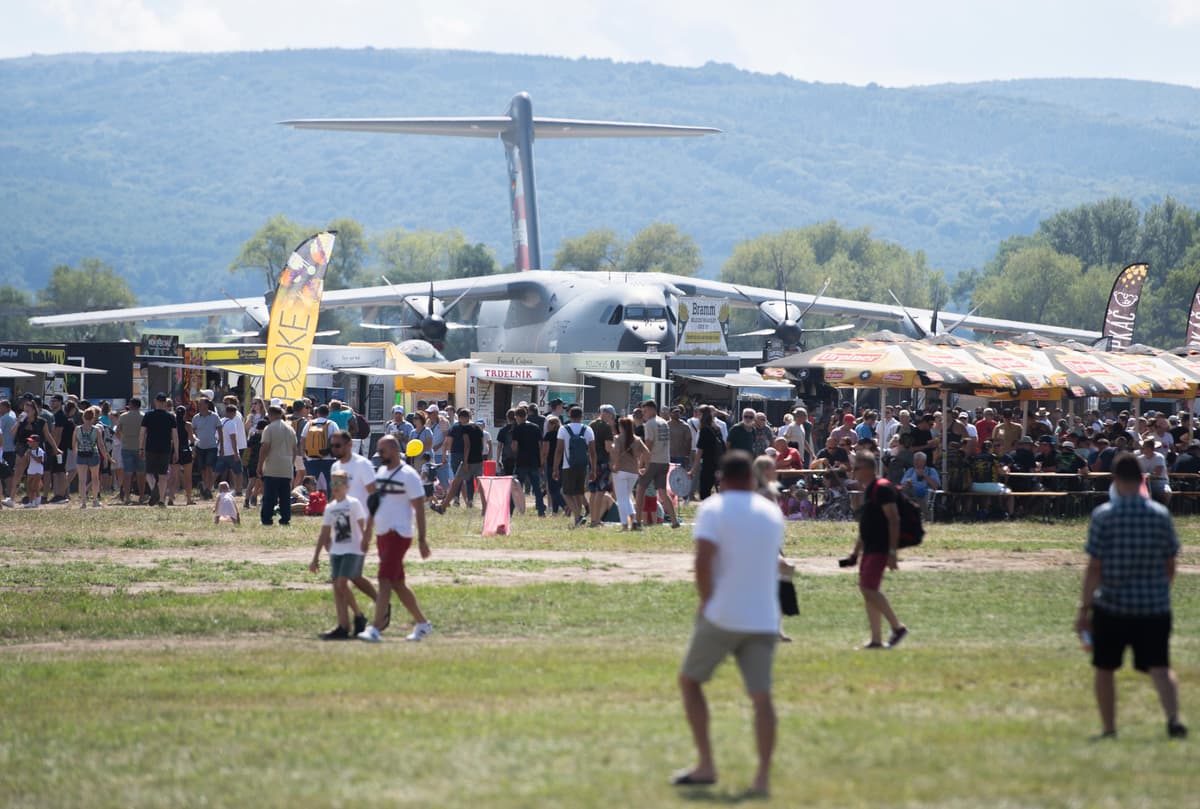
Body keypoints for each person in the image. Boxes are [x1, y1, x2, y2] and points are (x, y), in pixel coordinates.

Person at [674, 451, 783, 796]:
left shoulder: (713, 509)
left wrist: (707, 602)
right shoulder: (771, 512)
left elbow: (703, 561)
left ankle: (706, 764)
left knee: (691, 682)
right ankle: (762, 777)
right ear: (752, 479)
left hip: (723, 612)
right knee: (761, 698)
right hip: (764, 615)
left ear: (722, 478)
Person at [1076, 452, 1187, 740]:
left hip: (1112, 605)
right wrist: (1161, 591)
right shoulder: (1160, 515)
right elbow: (1170, 563)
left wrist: (1084, 609)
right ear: (1141, 479)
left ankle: (1110, 729)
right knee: (1160, 667)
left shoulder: (1104, 516)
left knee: (1105, 668)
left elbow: (1094, 567)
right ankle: (1174, 720)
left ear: (1115, 479)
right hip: (1153, 606)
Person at [358, 435, 432, 643]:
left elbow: (419, 510)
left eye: (382, 451)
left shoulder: (409, 475)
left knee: (384, 580)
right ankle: (423, 624)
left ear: (393, 449)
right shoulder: (381, 472)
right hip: (383, 533)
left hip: (398, 534)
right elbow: (374, 503)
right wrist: (368, 531)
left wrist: (422, 540)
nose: (380, 455)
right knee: (398, 583)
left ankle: (375, 628)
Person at [844, 452, 908, 650]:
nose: (853, 472)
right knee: (868, 591)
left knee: (868, 589)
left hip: (880, 547)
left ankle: (897, 628)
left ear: (869, 469)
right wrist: (855, 553)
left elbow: (894, 519)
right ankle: (876, 640)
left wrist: (892, 551)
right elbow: (866, 525)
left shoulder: (881, 488)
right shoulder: (870, 490)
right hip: (870, 547)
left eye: (856, 468)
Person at [310, 470, 373, 640]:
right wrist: (315, 558)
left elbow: (362, 527)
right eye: (333, 483)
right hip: (337, 551)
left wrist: (365, 542)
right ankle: (343, 626)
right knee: (337, 588)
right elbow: (324, 533)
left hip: (352, 550)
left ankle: (359, 616)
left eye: (339, 483)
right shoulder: (330, 507)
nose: (336, 487)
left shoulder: (353, 504)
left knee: (342, 583)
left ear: (347, 486)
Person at [634, 400, 680, 529]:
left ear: (653, 409)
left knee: (640, 490)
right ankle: (674, 521)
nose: (644, 413)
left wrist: (642, 463)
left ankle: (637, 521)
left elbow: (648, 445)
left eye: (645, 410)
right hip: (664, 461)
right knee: (663, 493)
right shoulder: (664, 422)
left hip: (652, 461)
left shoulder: (649, 424)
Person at [431, 409, 487, 514]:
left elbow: (467, 446)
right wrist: (480, 457)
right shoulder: (478, 428)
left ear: (462, 418)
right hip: (478, 460)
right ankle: (485, 508)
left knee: (455, 484)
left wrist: (465, 462)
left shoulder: (466, 429)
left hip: (468, 461)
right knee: (480, 485)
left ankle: (443, 507)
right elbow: (482, 445)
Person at [554, 405, 596, 527]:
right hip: (583, 466)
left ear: (569, 416)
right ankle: (578, 519)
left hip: (568, 466)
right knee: (578, 493)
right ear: (582, 417)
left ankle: (578, 516)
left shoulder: (563, 429)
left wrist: (556, 467)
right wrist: (593, 469)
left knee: (565, 492)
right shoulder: (588, 430)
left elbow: (559, 450)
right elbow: (592, 452)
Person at [257, 404, 297, 526]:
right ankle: (285, 518)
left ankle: (267, 519)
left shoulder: (269, 428)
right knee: (285, 496)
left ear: (271, 414)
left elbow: (265, 448)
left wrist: (259, 465)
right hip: (286, 466)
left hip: (272, 466)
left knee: (270, 496)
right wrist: (291, 463)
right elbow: (295, 449)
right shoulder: (291, 429)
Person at [140, 393, 178, 508]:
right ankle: (161, 499)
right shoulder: (171, 417)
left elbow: (142, 433)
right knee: (163, 475)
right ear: (165, 402)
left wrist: (140, 447)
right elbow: (175, 436)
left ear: (155, 401)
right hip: (165, 448)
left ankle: (153, 489)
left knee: (149, 473)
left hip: (151, 447)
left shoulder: (148, 415)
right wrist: (176, 451)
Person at [610, 416, 649, 531]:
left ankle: (625, 525)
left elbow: (616, 453)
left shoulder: (618, 438)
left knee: (621, 499)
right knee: (626, 498)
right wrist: (645, 467)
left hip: (621, 471)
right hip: (633, 472)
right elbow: (647, 452)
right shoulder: (637, 439)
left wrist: (615, 465)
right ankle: (634, 520)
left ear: (621, 427)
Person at [510, 406, 545, 517]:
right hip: (534, 461)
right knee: (537, 488)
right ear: (526, 415)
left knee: (516, 487)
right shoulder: (535, 427)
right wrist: (541, 462)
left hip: (521, 462)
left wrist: (514, 453)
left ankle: (510, 510)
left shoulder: (517, 429)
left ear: (517, 417)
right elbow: (540, 446)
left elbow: (514, 446)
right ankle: (541, 511)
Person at [587, 404, 617, 528]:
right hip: (603, 462)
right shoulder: (606, 427)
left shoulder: (590, 425)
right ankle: (596, 520)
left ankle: (592, 519)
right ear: (608, 414)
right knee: (600, 492)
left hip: (591, 462)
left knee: (592, 492)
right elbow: (608, 447)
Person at [73, 406, 109, 509]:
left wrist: (76, 455)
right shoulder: (96, 429)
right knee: (95, 478)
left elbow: (74, 444)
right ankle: (95, 500)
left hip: (81, 454)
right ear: (93, 418)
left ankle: (83, 502)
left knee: (82, 480)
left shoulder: (77, 429)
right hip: (93, 454)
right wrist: (105, 457)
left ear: (83, 417)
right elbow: (101, 445)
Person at [692, 405, 725, 500]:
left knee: (704, 492)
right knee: (718, 490)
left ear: (702, 415)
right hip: (718, 463)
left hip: (708, 464)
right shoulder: (716, 428)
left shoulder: (704, 430)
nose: (696, 416)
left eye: (698, 414)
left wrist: (693, 469)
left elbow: (700, 451)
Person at [190, 397, 221, 499]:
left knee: (209, 467)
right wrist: (194, 443)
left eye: (201, 404)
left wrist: (221, 444)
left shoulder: (215, 417)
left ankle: (208, 487)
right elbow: (192, 431)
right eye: (199, 404)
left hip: (211, 446)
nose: (199, 406)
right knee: (202, 469)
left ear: (207, 405)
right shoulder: (196, 418)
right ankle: (205, 486)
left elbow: (220, 430)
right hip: (200, 447)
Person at [23, 435, 46, 508]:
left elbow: (39, 460)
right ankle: (37, 498)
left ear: (36, 443)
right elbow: (26, 461)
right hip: (30, 469)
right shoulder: (29, 450)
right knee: (29, 486)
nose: (29, 443)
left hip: (38, 470)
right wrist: (26, 455)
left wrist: (31, 455)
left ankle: (31, 502)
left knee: (34, 487)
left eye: (31, 441)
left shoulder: (39, 451)